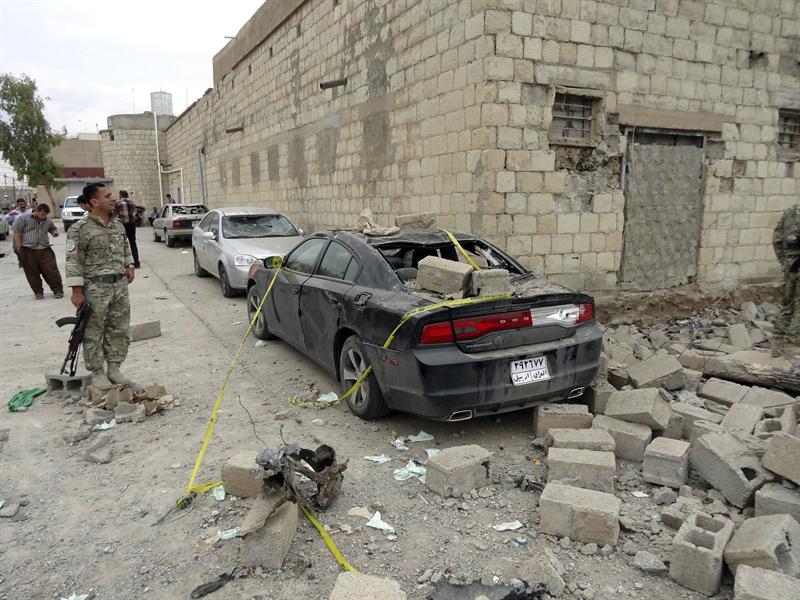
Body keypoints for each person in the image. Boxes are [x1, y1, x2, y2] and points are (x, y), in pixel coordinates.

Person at [66, 183, 136, 390]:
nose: (112, 199)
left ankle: (114, 368)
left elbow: (125, 247)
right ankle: (97, 372)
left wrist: (129, 265)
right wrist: (76, 291)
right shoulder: (80, 229)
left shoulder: (117, 225)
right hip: (95, 288)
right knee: (93, 331)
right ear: (94, 202)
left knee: (119, 329)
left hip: (119, 286)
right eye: (107, 196)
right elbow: (73, 261)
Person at [11, 203, 64, 299]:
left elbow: (52, 228)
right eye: (42, 214)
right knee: (32, 273)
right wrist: (20, 248)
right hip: (28, 250)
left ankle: (58, 290)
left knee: (51, 271)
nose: (44, 217)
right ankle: (38, 292)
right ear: (36, 211)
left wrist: (54, 232)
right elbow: (16, 232)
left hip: (44, 249)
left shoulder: (47, 221)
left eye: (46, 215)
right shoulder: (24, 218)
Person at [772, 203, 800, 357]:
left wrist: (785, 261)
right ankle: (792, 350)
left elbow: (776, 238)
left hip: (791, 265)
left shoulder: (791, 210)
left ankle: (777, 347)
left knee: (787, 305)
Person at [115, 190, 141, 268]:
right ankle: (136, 262)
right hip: (131, 225)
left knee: (122, 244)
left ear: (121, 195)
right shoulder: (132, 203)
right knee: (133, 244)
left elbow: (115, 214)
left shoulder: (118, 203)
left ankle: (124, 263)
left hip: (122, 226)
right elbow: (136, 211)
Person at [5, 198, 31, 268]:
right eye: (20, 204)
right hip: (17, 234)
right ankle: (20, 260)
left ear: (26, 204)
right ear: (17, 205)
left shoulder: (30, 212)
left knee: (29, 249)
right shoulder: (14, 212)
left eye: (23, 204)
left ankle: (27, 262)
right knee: (16, 249)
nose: (22, 205)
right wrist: (10, 215)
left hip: (28, 233)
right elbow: (6, 220)